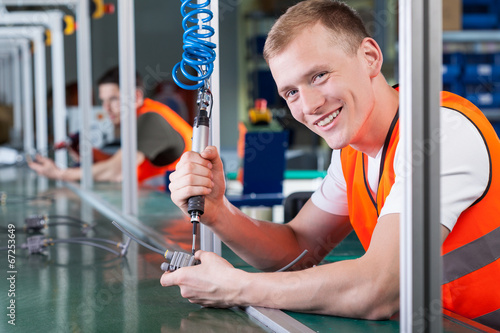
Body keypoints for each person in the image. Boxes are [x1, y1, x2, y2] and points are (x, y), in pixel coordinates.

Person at [161, 0, 500, 329]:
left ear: (370, 57)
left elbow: (379, 288)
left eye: (319, 75)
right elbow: (296, 249)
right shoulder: (352, 151)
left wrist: (237, 287)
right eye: (291, 92)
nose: (309, 105)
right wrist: (219, 211)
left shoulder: (438, 133)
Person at [29, 67, 193, 184]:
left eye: (114, 99)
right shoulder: (139, 118)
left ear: (136, 97)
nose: (106, 108)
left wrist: (60, 174)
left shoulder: (150, 119)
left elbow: (119, 170)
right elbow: (123, 163)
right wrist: (92, 155)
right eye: (103, 100)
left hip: (185, 212)